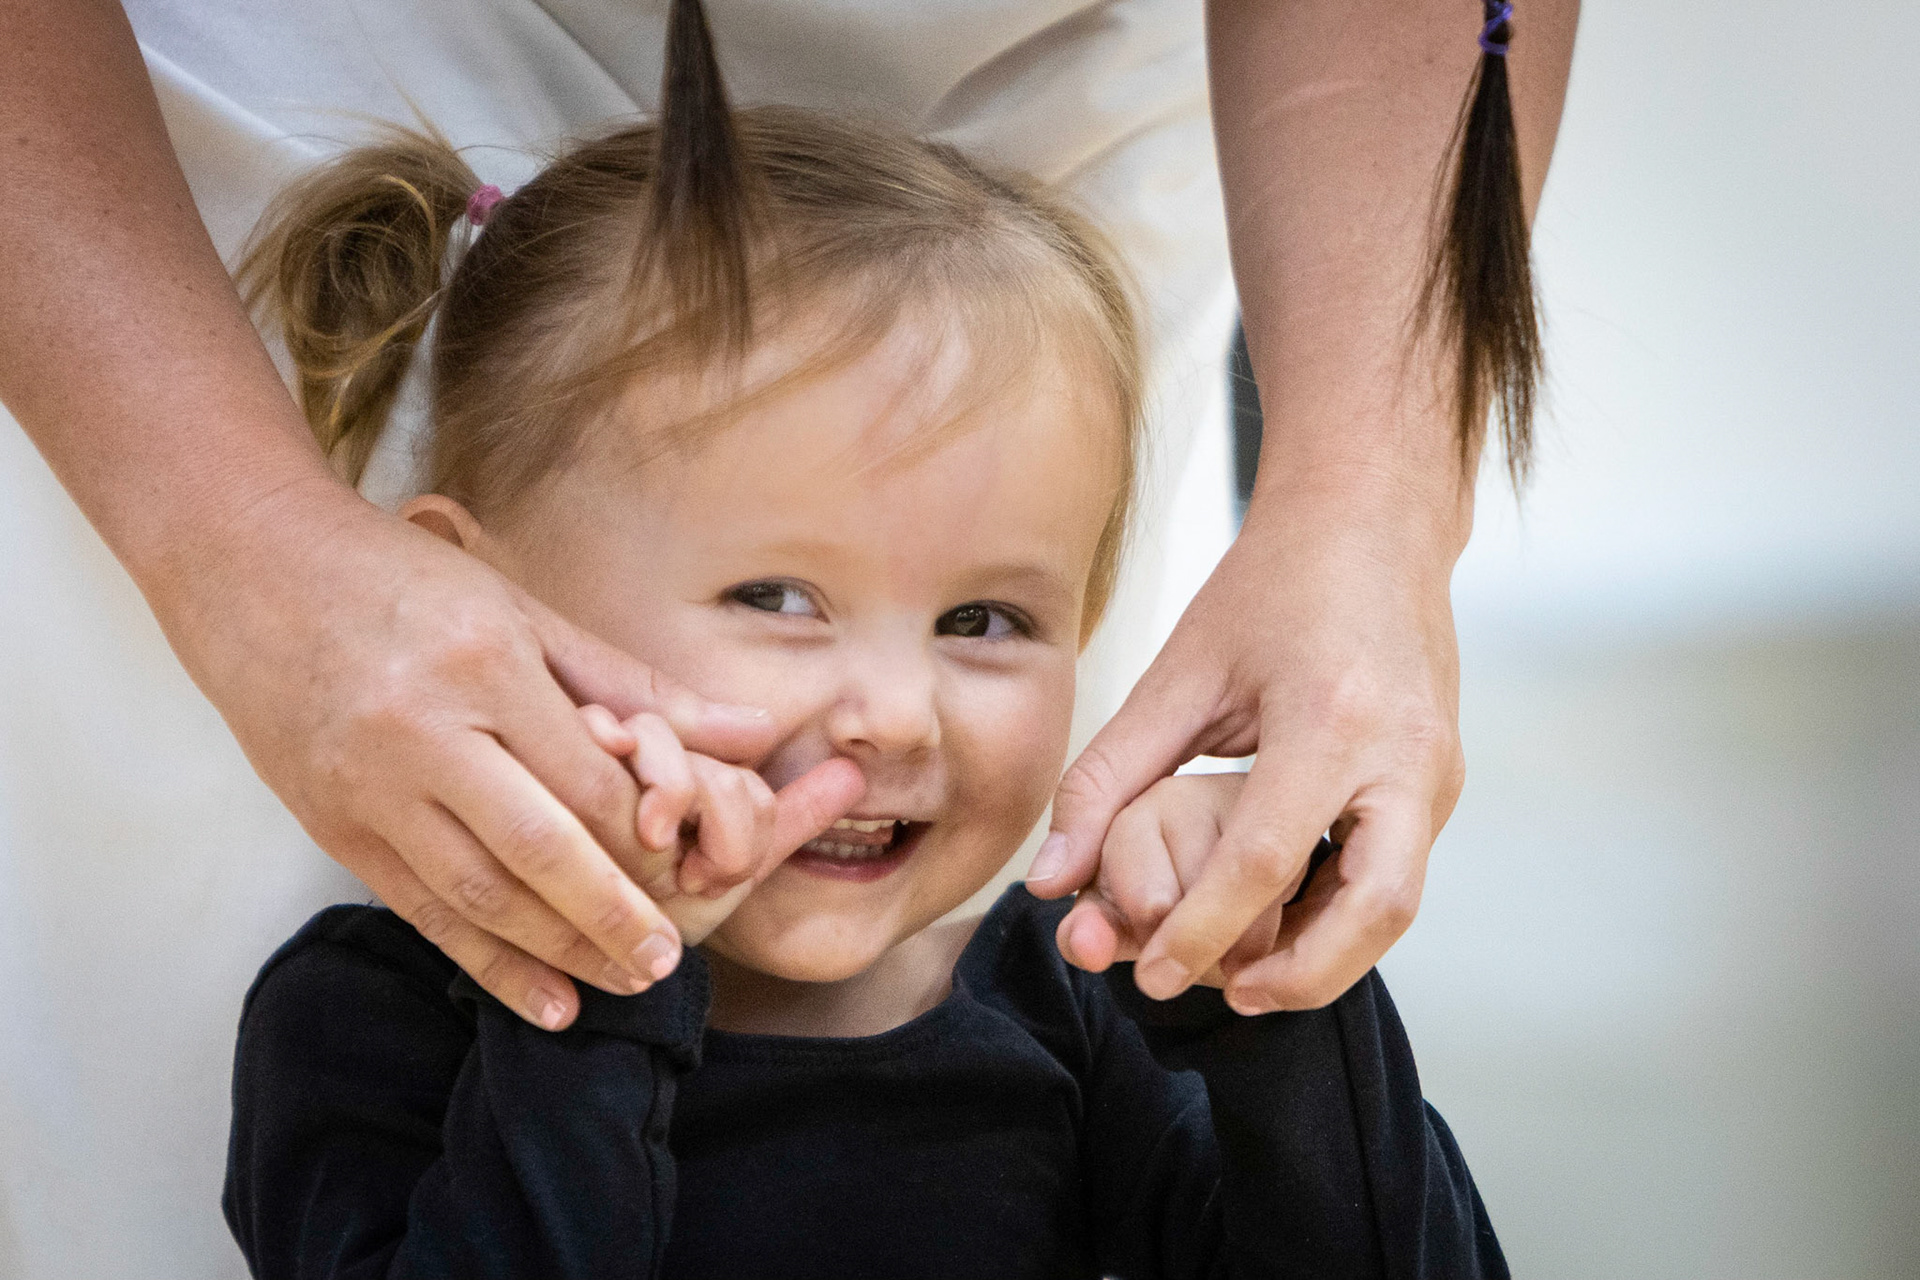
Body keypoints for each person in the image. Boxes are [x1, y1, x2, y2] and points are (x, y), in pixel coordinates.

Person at [0, 1, 1574, 1272]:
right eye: (774, 599)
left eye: (986, 618)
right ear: (477, 599)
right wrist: (611, 993)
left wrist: (1262, 1002)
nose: (895, 709)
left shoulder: (1065, 1007)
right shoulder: (369, 1024)